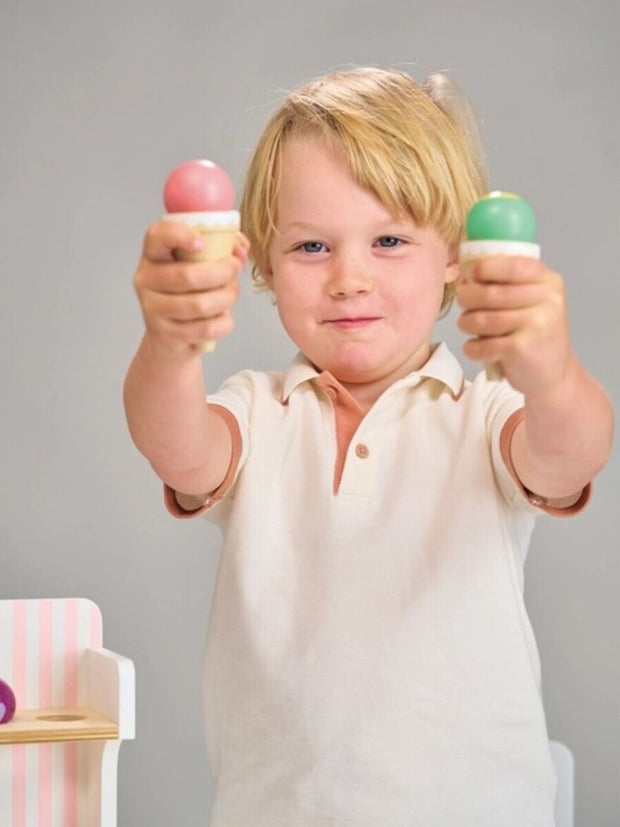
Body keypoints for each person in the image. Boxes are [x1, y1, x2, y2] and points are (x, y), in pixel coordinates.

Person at [124, 67, 613, 826]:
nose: (350, 278)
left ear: (454, 252)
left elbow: (571, 452)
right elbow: (177, 447)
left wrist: (549, 374)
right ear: (262, 263)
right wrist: (170, 342)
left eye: (389, 240)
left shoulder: (484, 416)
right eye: (313, 246)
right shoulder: (259, 412)